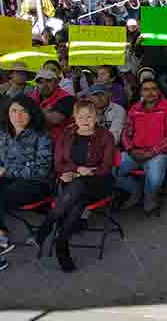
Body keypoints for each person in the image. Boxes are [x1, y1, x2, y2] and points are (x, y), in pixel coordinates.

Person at [0, 96, 53, 280]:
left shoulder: (41, 135)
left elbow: (41, 170)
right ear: (7, 113)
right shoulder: (2, 134)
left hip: (35, 185)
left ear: (32, 114)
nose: (18, 115)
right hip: (6, 182)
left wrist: (5, 171)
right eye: (13, 111)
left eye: (23, 111)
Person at [36, 100, 115, 272]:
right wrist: (73, 170)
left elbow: (106, 166)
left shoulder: (106, 136)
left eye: (89, 116)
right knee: (78, 196)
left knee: (78, 188)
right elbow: (58, 163)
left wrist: (79, 173)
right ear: (74, 118)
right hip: (73, 183)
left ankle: (48, 223)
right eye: (81, 116)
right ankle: (61, 244)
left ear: (97, 117)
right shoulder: (67, 134)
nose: (85, 120)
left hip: (99, 182)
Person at [116, 78, 167, 215]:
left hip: (158, 153)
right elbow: (125, 133)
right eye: (146, 89)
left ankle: (149, 198)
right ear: (140, 92)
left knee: (155, 179)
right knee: (109, 171)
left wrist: (151, 152)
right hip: (135, 151)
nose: (150, 92)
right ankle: (135, 191)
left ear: (159, 91)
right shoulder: (134, 109)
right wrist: (131, 150)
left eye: (153, 89)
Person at [30, 68, 75, 146]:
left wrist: (31, 111)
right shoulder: (32, 96)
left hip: (59, 143)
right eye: (40, 82)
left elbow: (55, 119)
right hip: (35, 142)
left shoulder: (67, 98)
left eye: (48, 81)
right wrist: (44, 112)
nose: (44, 85)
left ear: (56, 82)